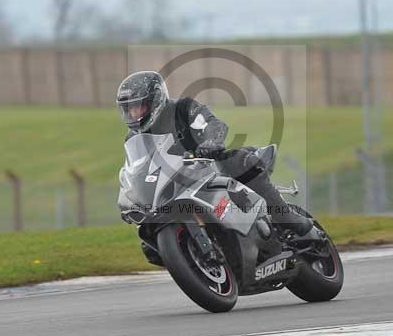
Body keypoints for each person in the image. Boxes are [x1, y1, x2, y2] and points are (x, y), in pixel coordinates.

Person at [116, 70, 314, 239]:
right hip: (177, 183)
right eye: (129, 109)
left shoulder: (183, 108)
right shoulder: (133, 138)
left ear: (155, 99)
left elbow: (214, 124)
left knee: (238, 162)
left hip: (209, 165)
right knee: (149, 242)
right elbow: (137, 169)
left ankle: (286, 217)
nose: (133, 114)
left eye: (138, 106)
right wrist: (131, 196)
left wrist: (211, 141)